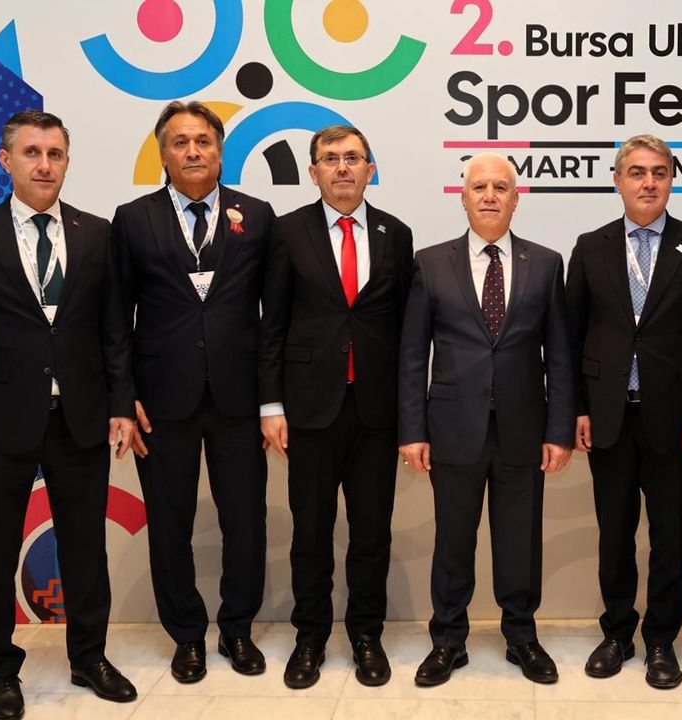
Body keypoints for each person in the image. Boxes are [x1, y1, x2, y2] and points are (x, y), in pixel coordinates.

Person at [0, 110, 138, 720]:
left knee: (85, 549)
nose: (44, 164)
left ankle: (89, 657)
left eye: (55, 153)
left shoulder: (97, 234)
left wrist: (121, 405)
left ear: (67, 161)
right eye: (32, 152)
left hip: (80, 416)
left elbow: (114, 331)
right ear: (7, 161)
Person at [112, 101, 275, 684]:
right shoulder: (132, 219)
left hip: (240, 400)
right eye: (180, 142)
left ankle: (237, 628)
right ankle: (186, 635)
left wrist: (272, 400)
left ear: (220, 150)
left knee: (246, 522)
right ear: (163, 153)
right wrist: (122, 396)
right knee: (169, 523)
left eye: (203, 141)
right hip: (161, 403)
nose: (193, 151)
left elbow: (275, 319)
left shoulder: (257, 216)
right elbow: (115, 318)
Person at [398, 151, 574, 687]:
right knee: (453, 540)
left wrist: (559, 430)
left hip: (524, 427)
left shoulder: (546, 263)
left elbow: (559, 354)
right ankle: (448, 640)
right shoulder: (431, 263)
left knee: (520, 539)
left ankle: (521, 636)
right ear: (464, 197)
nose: (491, 196)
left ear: (516, 198)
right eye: (480, 187)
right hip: (452, 427)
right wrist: (412, 430)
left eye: (501, 187)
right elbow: (412, 354)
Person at [566, 134, 682, 689]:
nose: (648, 182)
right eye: (636, 172)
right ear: (618, 181)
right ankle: (617, 632)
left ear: (671, 181)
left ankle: (662, 639)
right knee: (614, 534)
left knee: (668, 536)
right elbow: (570, 339)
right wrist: (577, 409)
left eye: (659, 172)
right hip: (609, 418)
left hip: (676, 421)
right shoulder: (589, 246)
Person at [259, 125, 414, 688]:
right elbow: (271, 325)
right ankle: (310, 638)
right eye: (330, 158)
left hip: (377, 411)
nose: (342, 167)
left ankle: (366, 636)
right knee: (311, 532)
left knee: (372, 533)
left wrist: (411, 412)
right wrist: (271, 405)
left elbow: (406, 331)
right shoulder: (285, 232)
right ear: (313, 171)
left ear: (370, 169)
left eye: (353, 158)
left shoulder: (396, 234)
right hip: (308, 409)